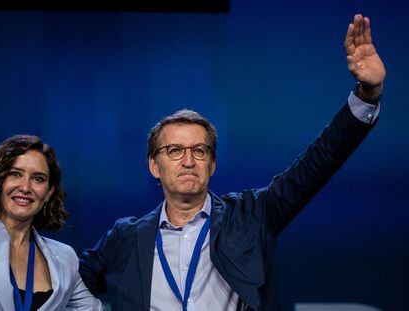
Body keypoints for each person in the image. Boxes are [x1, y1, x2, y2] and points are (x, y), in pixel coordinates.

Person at [79, 14, 386, 310]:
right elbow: (64, 284)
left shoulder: (253, 216)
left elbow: (317, 163)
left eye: (199, 150)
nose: (188, 160)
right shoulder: (125, 239)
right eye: (174, 150)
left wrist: (367, 94)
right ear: (154, 165)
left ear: (212, 165)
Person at [0, 135, 102, 310]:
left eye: (38, 178)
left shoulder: (65, 258)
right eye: (15, 174)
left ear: (49, 192)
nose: (25, 187)